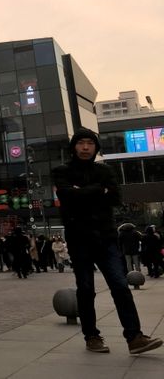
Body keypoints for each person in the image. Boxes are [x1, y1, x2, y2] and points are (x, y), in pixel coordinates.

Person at [52, 127, 162, 355]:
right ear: (74, 147)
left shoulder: (105, 171)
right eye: (80, 143)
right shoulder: (62, 171)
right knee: (86, 288)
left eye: (89, 144)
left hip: (106, 237)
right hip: (79, 238)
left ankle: (134, 337)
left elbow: (114, 197)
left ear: (96, 148)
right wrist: (96, 191)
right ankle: (91, 336)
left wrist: (82, 192)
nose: (85, 148)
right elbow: (66, 195)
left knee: (120, 285)